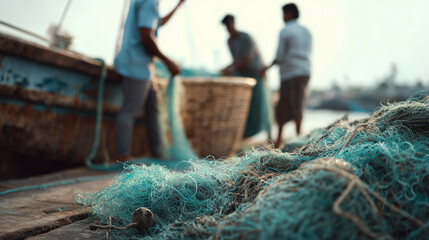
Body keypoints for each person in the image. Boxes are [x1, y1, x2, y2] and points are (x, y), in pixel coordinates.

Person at [114, 0, 185, 162]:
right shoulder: (149, 2)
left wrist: (178, 6)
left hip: (145, 68)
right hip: (135, 65)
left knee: (154, 110)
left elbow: (157, 23)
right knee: (129, 111)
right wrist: (168, 62)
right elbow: (146, 37)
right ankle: (122, 156)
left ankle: (157, 153)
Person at [261, 3, 312, 148]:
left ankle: (284, 139)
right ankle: (296, 136)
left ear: (288, 14)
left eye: (283, 14)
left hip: (290, 73)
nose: (282, 17)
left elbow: (280, 56)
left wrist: (267, 67)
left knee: (285, 105)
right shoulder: (306, 31)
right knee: (297, 103)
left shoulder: (285, 31)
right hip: (304, 71)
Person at [220, 14, 271, 139]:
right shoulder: (229, 41)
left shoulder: (246, 37)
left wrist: (231, 70)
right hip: (243, 75)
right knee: (247, 106)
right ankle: (246, 134)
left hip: (256, 73)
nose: (228, 28)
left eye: (229, 25)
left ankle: (269, 136)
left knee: (261, 105)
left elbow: (247, 58)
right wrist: (227, 69)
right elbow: (236, 60)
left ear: (233, 23)